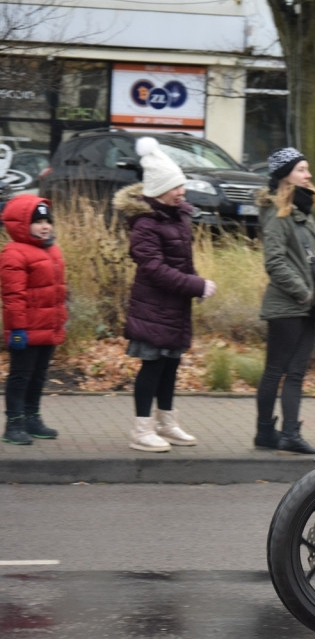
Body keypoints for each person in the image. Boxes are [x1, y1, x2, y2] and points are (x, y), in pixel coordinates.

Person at [114, 137, 217, 453]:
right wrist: (195, 286)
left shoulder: (178, 218)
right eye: (176, 187)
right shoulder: (145, 224)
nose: (182, 191)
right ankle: (141, 429)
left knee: (170, 366)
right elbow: (155, 269)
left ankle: (166, 423)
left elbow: (181, 264)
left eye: (182, 185)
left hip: (174, 307)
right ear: (159, 189)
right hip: (152, 308)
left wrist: (193, 283)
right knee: (152, 367)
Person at [252, 147, 315, 454]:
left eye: (307, 169)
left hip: (306, 307)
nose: (308, 175)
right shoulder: (277, 215)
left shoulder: (300, 213)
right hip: (286, 306)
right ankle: (265, 433)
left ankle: (290, 434)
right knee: (276, 370)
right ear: (285, 176)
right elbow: (275, 262)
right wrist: (303, 291)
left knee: (295, 372)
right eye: (301, 170)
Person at [0, 195, 67, 445]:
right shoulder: (14, 253)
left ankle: (32, 417)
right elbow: (13, 296)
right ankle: (13, 423)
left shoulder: (52, 249)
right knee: (20, 375)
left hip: (48, 326)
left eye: (47, 220)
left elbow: (59, 291)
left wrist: (61, 318)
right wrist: (17, 329)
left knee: (39, 374)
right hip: (26, 329)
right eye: (37, 221)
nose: (45, 226)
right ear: (20, 224)